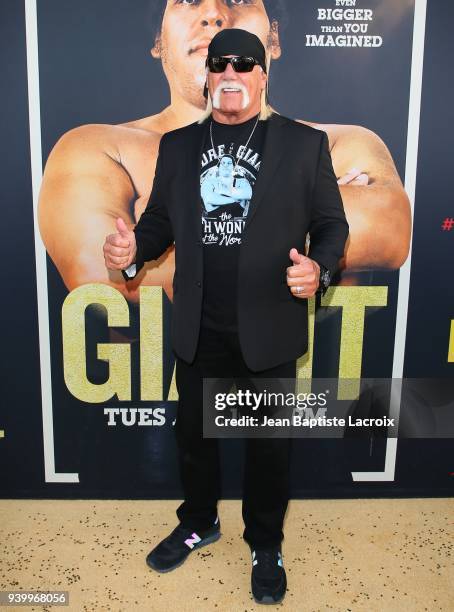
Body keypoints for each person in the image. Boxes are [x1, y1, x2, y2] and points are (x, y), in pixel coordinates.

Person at [103, 28, 349, 605]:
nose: (231, 73)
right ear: (207, 76)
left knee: (269, 448)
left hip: (270, 325)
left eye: (244, 63)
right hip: (198, 324)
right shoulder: (180, 146)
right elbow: (159, 221)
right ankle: (199, 522)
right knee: (194, 439)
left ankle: (265, 542)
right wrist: (133, 250)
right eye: (220, 64)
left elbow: (333, 226)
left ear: (263, 75)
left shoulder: (304, 144)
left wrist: (319, 268)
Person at [39, 0, 410, 304]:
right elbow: (98, 280)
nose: (215, 13)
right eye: (188, 0)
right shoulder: (97, 146)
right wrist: (297, 215)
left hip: (280, 360)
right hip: (180, 366)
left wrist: (172, 216)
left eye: (239, 0)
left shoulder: (334, 142)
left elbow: (388, 231)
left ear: (273, 39)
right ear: (159, 39)